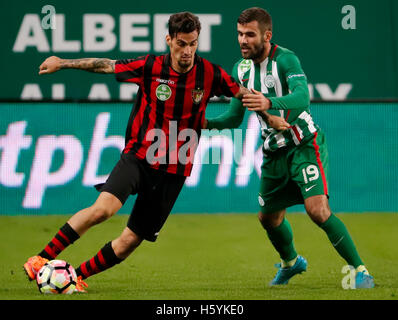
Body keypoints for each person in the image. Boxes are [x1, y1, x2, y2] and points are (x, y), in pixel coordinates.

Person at [23, 11, 288, 292]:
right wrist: (62, 63)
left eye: (193, 44)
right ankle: (41, 258)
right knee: (103, 210)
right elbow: (105, 65)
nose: (187, 51)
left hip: (174, 170)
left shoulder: (209, 73)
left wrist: (270, 117)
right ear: (169, 40)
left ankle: (72, 276)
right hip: (139, 156)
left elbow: (241, 93)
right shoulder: (150, 66)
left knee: (130, 241)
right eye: (181, 44)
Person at [204, 7, 374, 288]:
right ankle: (292, 263)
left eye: (250, 34)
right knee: (268, 218)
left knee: (317, 210)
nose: (243, 40)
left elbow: (303, 97)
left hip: (304, 143)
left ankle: (360, 271)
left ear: (267, 35)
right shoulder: (240, 70)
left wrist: (270, 102)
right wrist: (204, 124)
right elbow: (234, 117)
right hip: (273, 152)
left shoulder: (285, 60)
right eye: (239, 34)